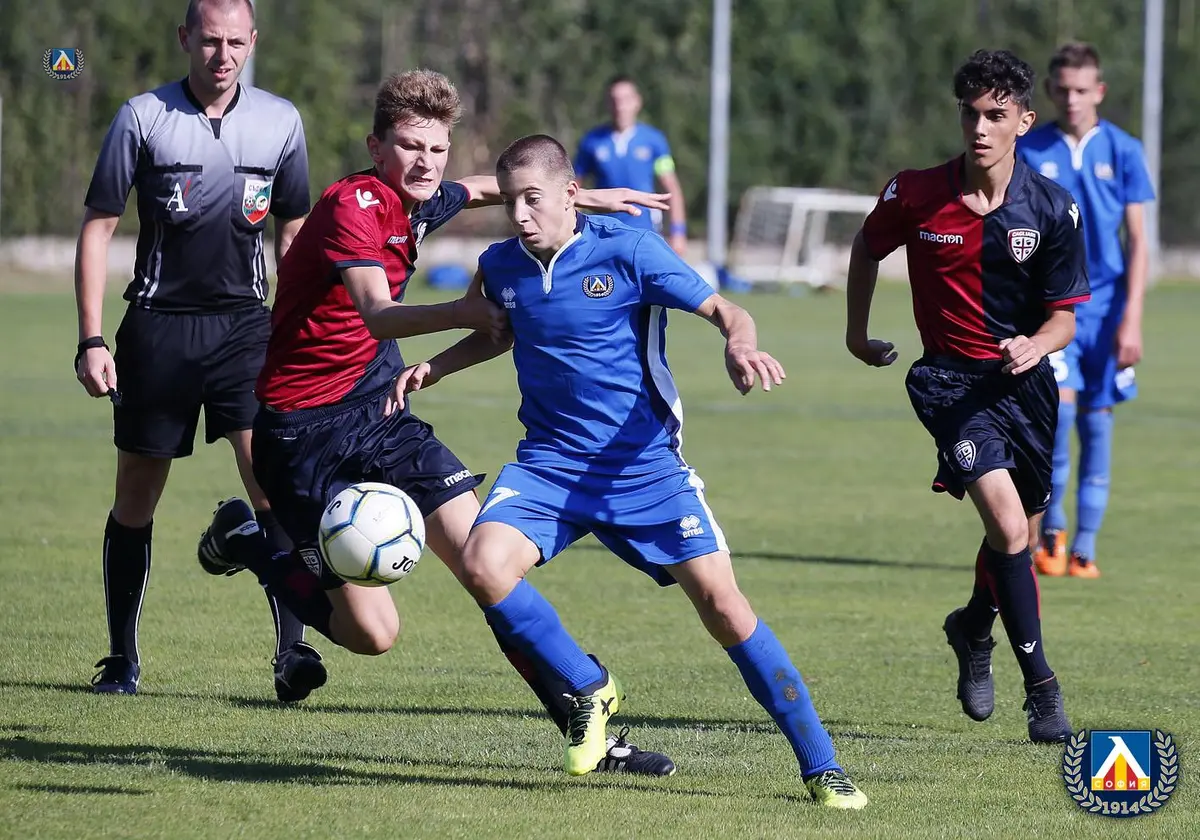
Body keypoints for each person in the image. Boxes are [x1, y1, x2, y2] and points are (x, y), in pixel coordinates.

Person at [196, 69, 677, 775]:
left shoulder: (419, 197)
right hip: (301, 435)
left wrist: (583, 197)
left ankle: (590, 724)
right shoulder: (353, 205)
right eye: (410, 146)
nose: (426, 163)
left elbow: (478, 188)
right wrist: (465, 312)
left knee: (487, 564)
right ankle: (251, 543)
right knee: (373, 634)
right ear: (376, 147)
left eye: (437, 148)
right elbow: (377, 314)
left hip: (380, 411)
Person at [389, 134, 869, 808]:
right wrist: (434, 368)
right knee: (483, 564)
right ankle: (588, 686)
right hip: (550, 464)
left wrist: (739, 345)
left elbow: (727, 309)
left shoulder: (629, 249)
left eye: (533, 199)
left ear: (570, 194)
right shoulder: (499, 265)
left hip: (644, 469)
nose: (520, 214)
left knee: (725, 609)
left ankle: (822, 766)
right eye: (512, 202)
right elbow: (497, 333)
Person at [74, 0, 317, 700]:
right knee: (136, 496)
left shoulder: (281, 121)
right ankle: (121, 660)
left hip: (246, 328)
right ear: (186, 38)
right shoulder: (142, 117)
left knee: (272, 483)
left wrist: (298, 328)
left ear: (253, 42)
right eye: (210, 40)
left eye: (236, 42)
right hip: (158, 330)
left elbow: (293, 230)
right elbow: (98, 226)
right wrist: (91, 337)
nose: (223, 55)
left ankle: (292, 654)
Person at [845, 50, 1085, 744]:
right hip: (949, 384)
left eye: (995, 115)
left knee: (1021, 535)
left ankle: (973, 626)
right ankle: (1043, 692)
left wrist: (1036, 344)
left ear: (1024, 122)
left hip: (1026, 387)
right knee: (1009, 528)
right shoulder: (916, 193)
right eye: (971, 114)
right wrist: (857, 334)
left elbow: (1064, 317)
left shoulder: (1051, 207)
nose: (980, 127)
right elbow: (867, 248)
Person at [1017, 43, 1155, 579]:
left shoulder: (1123, 150)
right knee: (1059, 419)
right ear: (1051, 91)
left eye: (1082, 90)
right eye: (1063, 89)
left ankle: (1086, 547)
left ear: (1098, 91)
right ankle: (1051, 535)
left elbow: (1138, 241)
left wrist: (1132, 318)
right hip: (1055, 308)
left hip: (1109, 309)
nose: (1071, 99)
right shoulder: (1031, 148)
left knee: (1098, 424)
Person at [574, 76, 689, 256]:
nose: (620, 106)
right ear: (607, 104)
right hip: (604, 234)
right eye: (614, 100)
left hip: (645, 232)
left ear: (637, 102)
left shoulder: (654, 140)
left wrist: (678, 231)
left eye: (626, 99)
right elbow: (574, 189)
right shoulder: (592, 141)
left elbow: (671, 187)